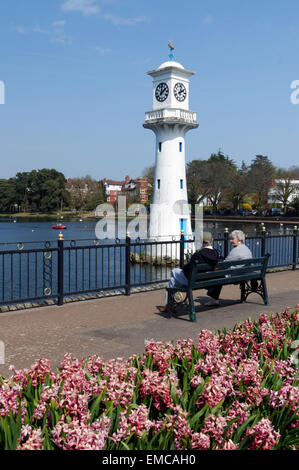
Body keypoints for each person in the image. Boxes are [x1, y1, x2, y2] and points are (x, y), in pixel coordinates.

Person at [159, 232, 221, 312]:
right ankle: (171, 302)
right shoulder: (216, 253)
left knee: (174, 273)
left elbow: (187, 270)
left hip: (194, 281)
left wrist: (184, 268)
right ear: (212, 240)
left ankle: (169, 303)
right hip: (206, 280)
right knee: (174, 279)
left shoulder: (198, 254)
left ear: (201, 242)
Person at [205, 229, 252, 306]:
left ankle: (214, 299)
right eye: (231, 239)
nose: (231, 241)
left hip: (235, 274)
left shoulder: (236, 250)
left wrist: (214, 269)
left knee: (217, 274)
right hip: (244, 273)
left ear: (239, 239)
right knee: (219, 273)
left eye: (233, 239)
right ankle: (214, 297)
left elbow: (225, 264)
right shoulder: (247, 249)